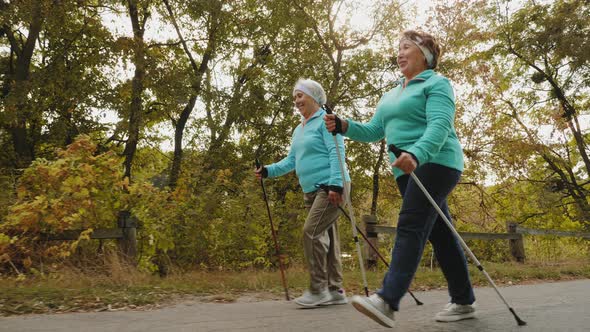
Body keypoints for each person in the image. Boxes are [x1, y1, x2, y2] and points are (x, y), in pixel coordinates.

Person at [324, 30, 476, 328]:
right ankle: (463, 300)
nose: (400, 52)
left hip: (436, 162)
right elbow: (373, 131)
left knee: (410, 224)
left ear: (426, 55)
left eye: (407, 46)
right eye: (398, 48)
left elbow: (440, 126)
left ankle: (387, 300)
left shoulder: (436, 83)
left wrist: (417, 153)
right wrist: (344, 125)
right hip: (405, 169)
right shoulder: (391, 94)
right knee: (441, 235)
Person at [255, 78, 351, 307]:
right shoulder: (300, 129)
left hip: (330, 187)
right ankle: (335, 290)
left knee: (312, 232)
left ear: (315, 97)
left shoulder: (326, 122)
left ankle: (318, 290)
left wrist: (335, 184)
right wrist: (268, 171)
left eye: (301, 95)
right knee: (327, 238)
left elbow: (336, 152)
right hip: (312, 191)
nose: (297, 100)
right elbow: (291, 161)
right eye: (295, 97)